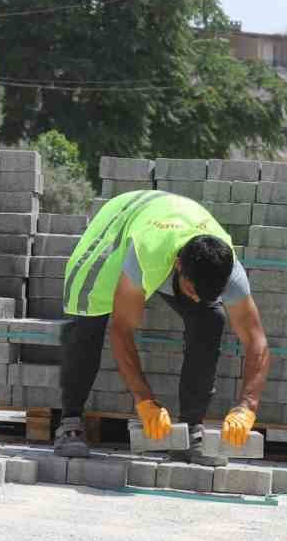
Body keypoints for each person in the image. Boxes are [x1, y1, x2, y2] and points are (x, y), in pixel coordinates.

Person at [54, 190, 272, 464]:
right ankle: (70, 421)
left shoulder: (229, 270)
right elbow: (121, 329)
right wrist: (145, 401)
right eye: (193, 291)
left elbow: (256, 341)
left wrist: (247, 407)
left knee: (210, 317)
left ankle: (191, 431)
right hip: (120, 226)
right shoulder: (146, 253)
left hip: (173, 222)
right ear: (178, 266)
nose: (195, 298)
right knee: (87, 317)